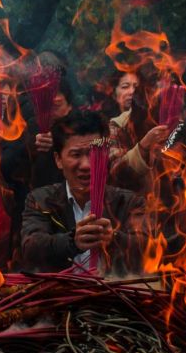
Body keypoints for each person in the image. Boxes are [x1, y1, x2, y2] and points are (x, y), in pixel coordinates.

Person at [21, 111, 146, 275]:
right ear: (58, 159)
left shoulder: (128, 201)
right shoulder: (41, 200)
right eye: (76, 154)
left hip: (116, 294)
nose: (86, 165)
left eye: (93, 153)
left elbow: (148, 247)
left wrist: (113, 238)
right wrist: (72, 242)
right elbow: (31, 248)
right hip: (62, 296)